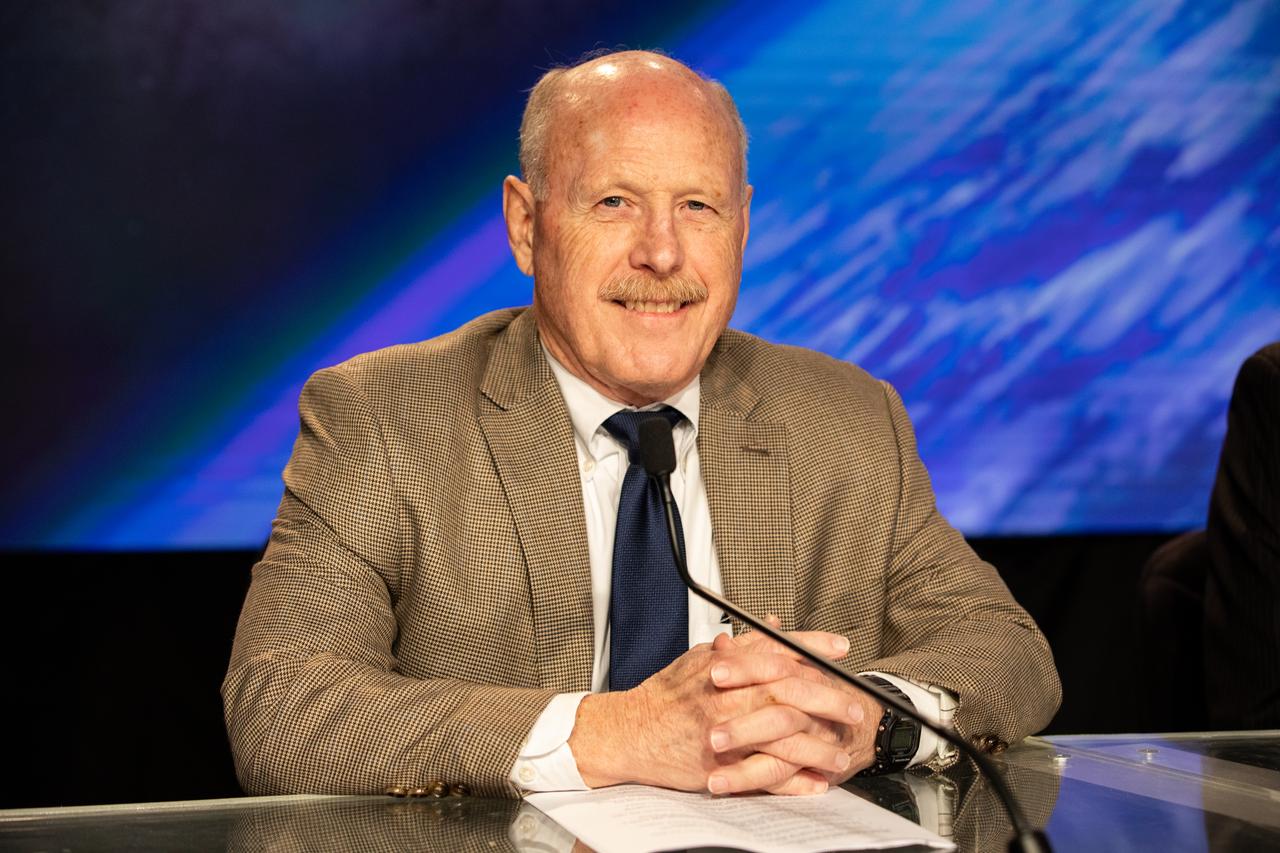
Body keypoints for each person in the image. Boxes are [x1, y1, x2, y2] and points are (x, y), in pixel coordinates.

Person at [223, 50, 1060, 800]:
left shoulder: (845, 419)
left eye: (698, 206)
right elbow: (284, 704)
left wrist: (868, 715)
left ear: (743, 224)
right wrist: (618, 731)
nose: (662, 254)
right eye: (616, 201)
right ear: (526, 225)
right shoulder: (383, 418)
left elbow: (1007, 649)